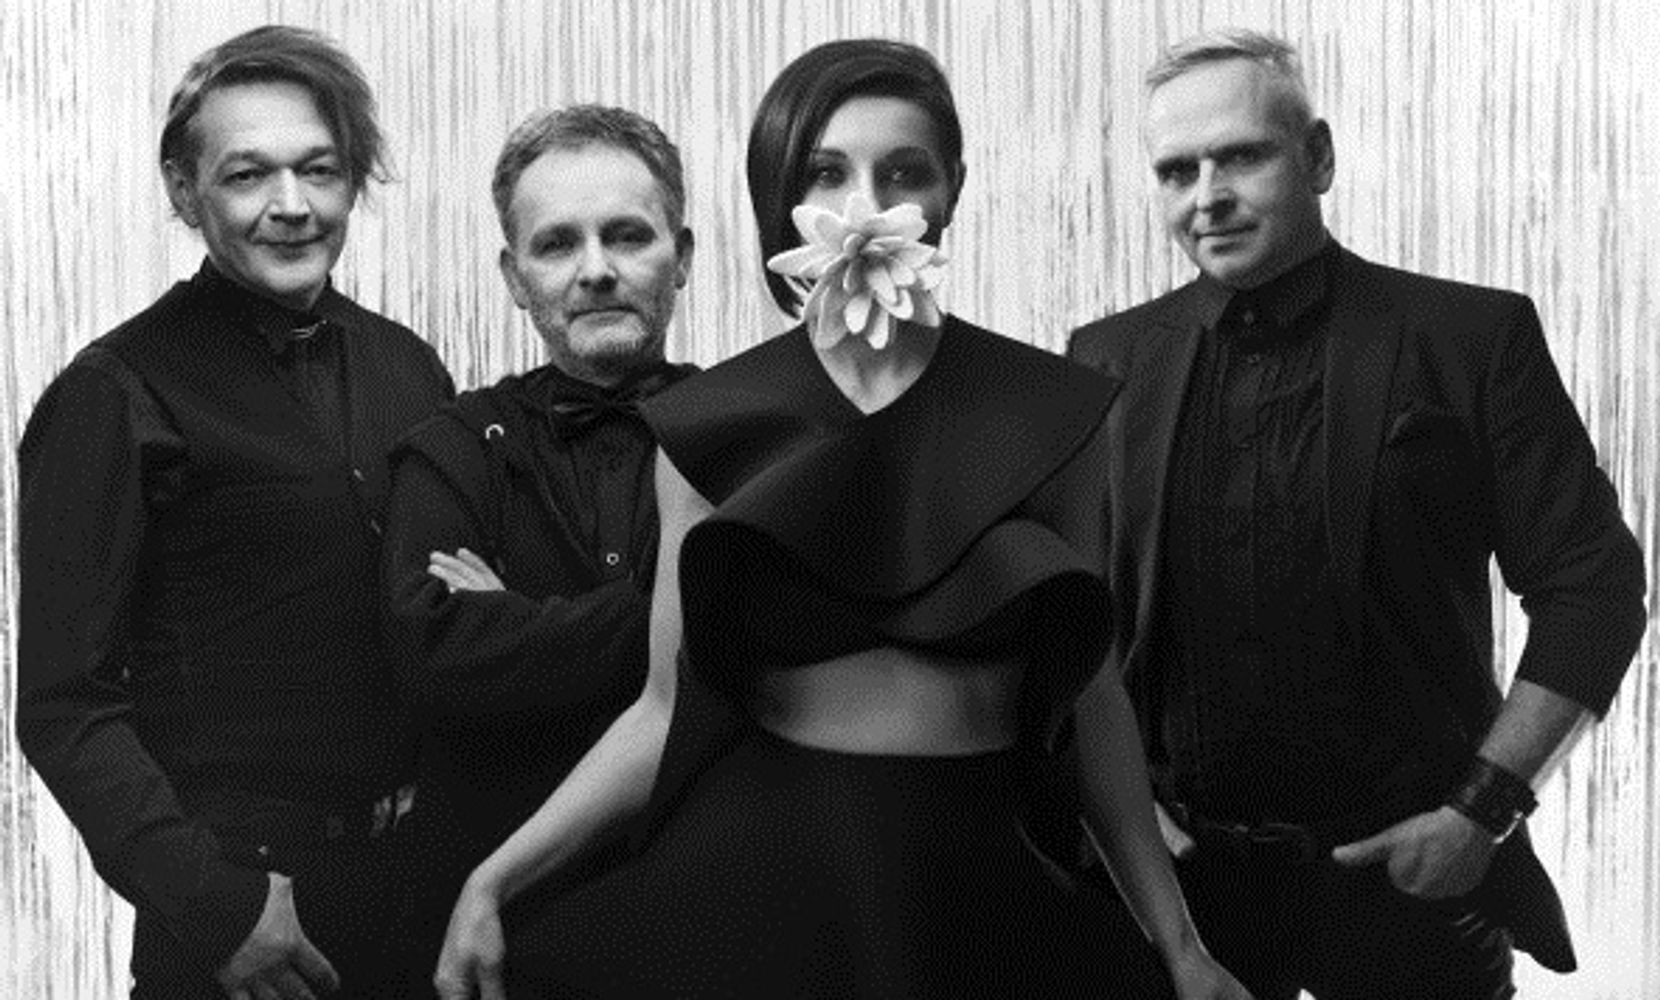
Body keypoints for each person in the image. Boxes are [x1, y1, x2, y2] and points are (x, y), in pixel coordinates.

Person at [432, 38, 1248, 1000]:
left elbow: (1093, 694)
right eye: (827, 173)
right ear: (781, 197)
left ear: (951, 189)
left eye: (904, 171)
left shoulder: (1053, 410)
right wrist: (494, 879)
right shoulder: (705, 427)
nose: (867, 205)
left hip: (980, 883)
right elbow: (662, 710)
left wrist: (1181, 945)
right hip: (763, 876)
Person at [1067, 28, 1646, 1000]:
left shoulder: (1471, 338)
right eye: (1176, 171)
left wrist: (1480, 811)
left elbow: (1593, 587)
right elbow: (1070, 626)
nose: (1207, 196)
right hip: (1187, 900)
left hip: (1410, 885)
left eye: (1241, 157)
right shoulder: (1105, 360)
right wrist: (1129, 823)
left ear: (1319, 158)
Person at [15, 25, 454, 1000]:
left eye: (319, 170)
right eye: (249, 175)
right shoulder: (112, 391)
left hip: (415, 895)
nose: (291, 206)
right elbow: (63, 703)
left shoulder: (410, 366)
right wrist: (215, 905)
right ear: (186, 193)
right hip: (240, 923)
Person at [381, 103, 696, 981]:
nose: (596, 270)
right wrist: (669, 617)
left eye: (627, 236)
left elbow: (757, 654)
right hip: (491, 936)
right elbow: (434, 661)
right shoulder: (450, 448)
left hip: (702, 913)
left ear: (682, 258)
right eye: (557, 244)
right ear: (514, 276)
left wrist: (515, 619)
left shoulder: (750, 437)